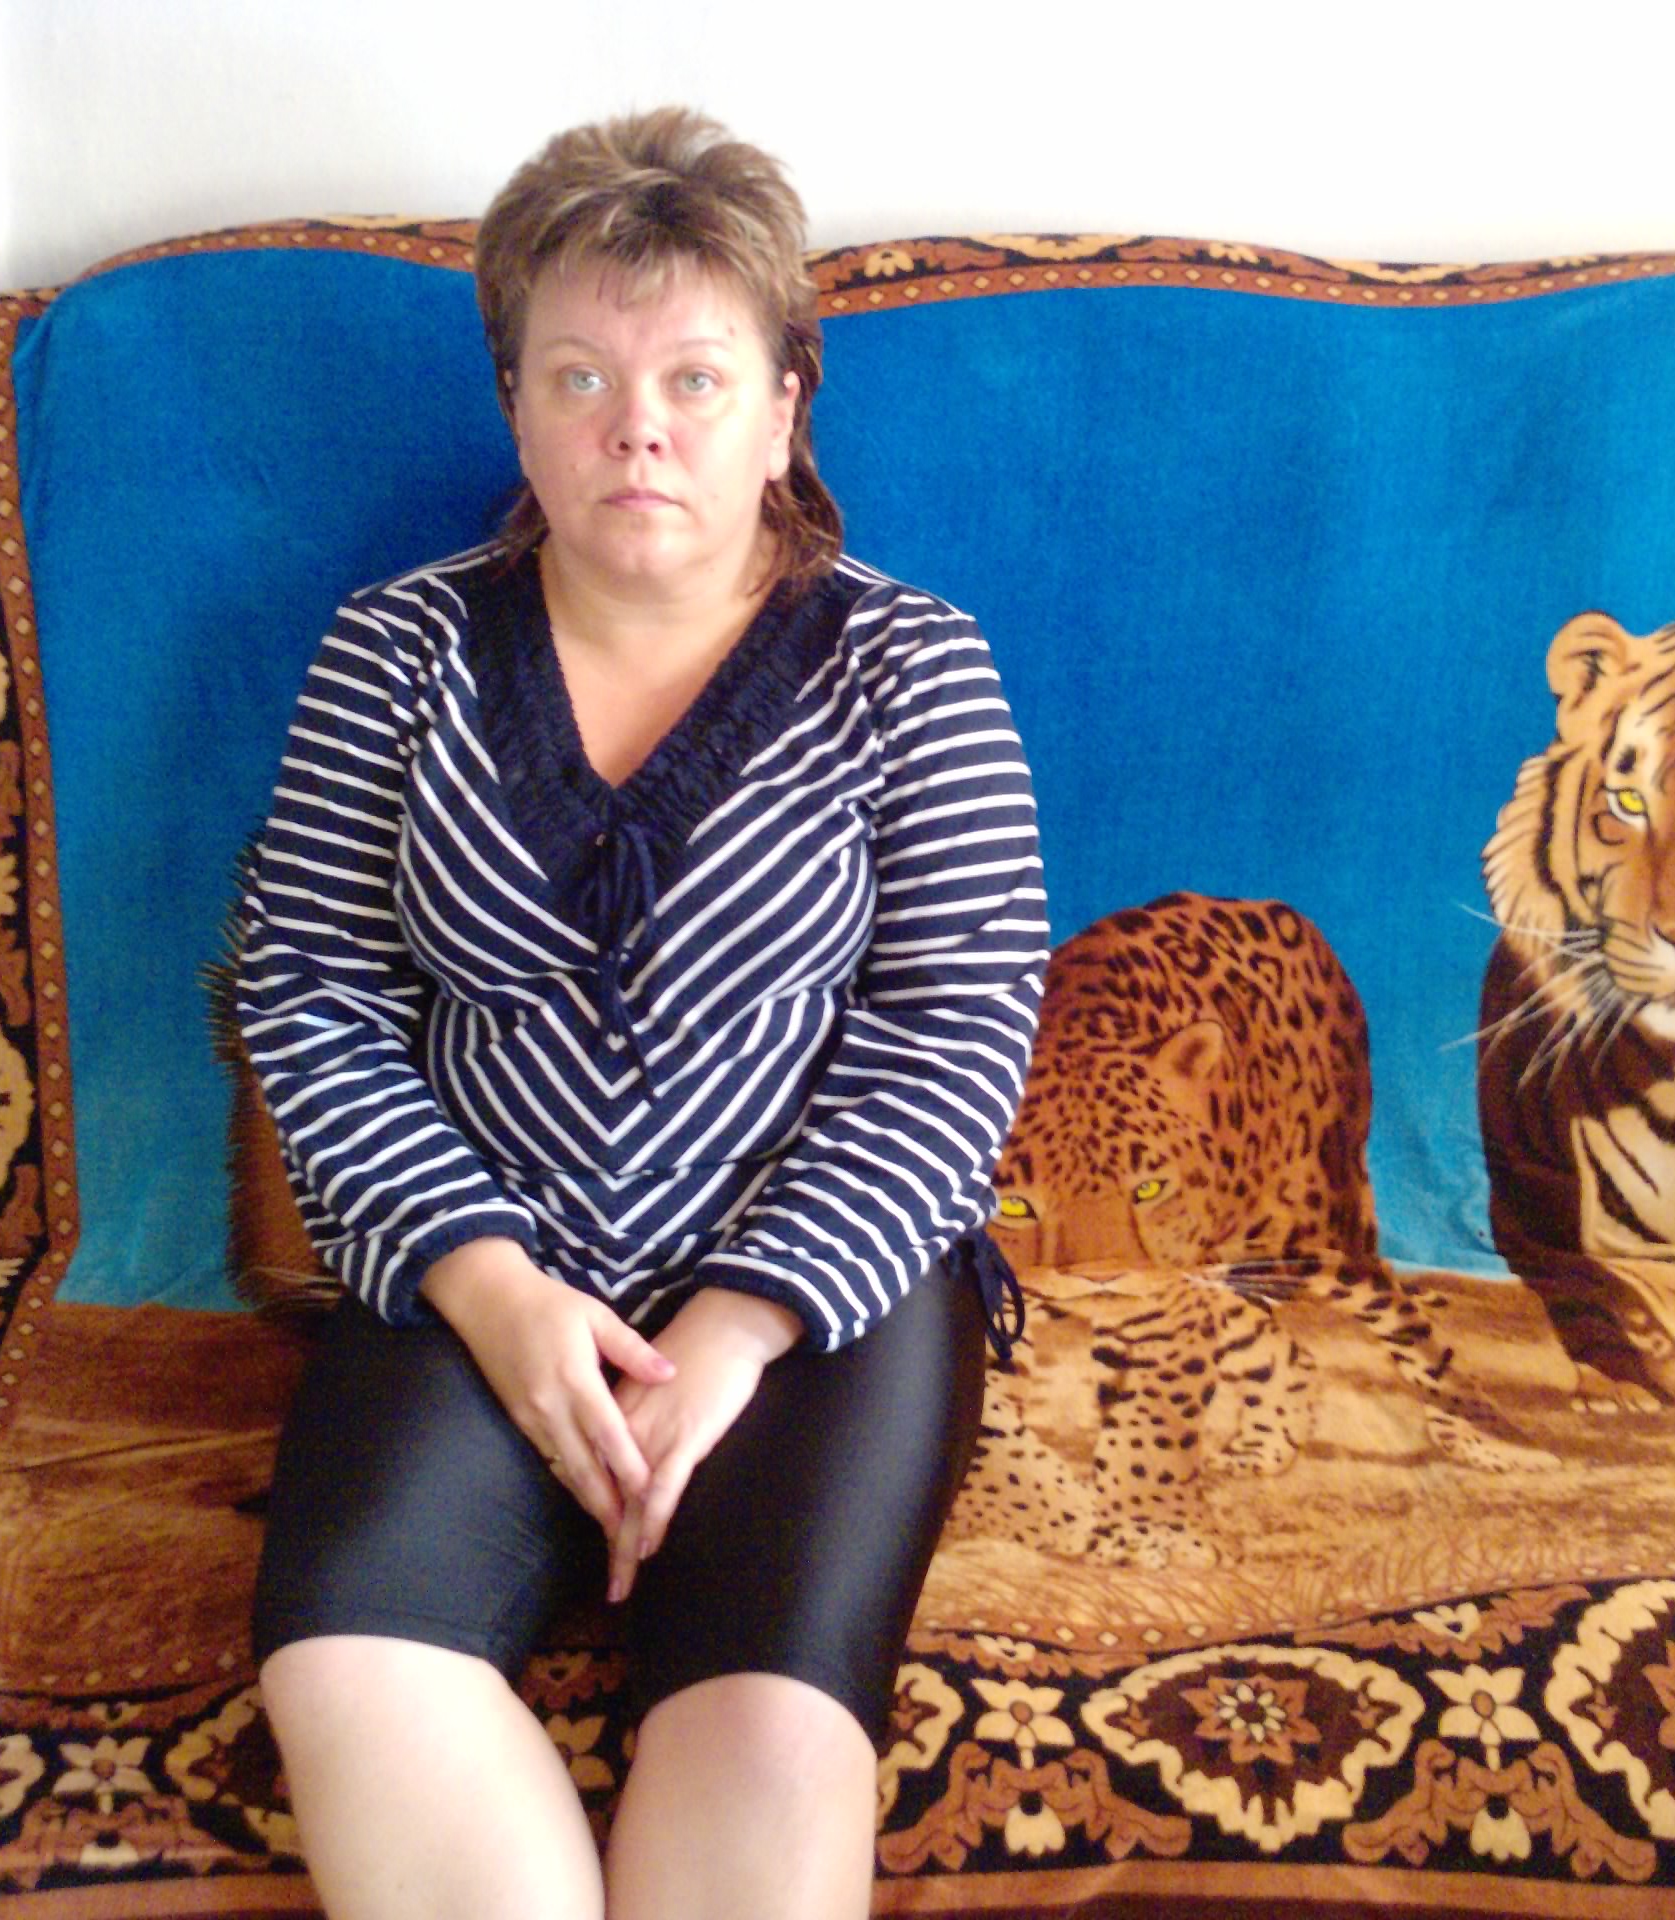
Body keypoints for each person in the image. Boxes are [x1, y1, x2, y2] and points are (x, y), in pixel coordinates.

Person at [236, 106, 1047, 1920]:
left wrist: (742, 1327)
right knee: (353, 1671)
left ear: (785, 408)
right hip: (469, 1277)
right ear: (516, 408)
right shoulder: (392, 654)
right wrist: (493, 1290)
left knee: (765, 1731)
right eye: (581, 376)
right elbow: (311, 988)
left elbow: (958, 1030)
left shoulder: (914, 667)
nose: (638, 427)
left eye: (695, 375)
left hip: (817, 1306)